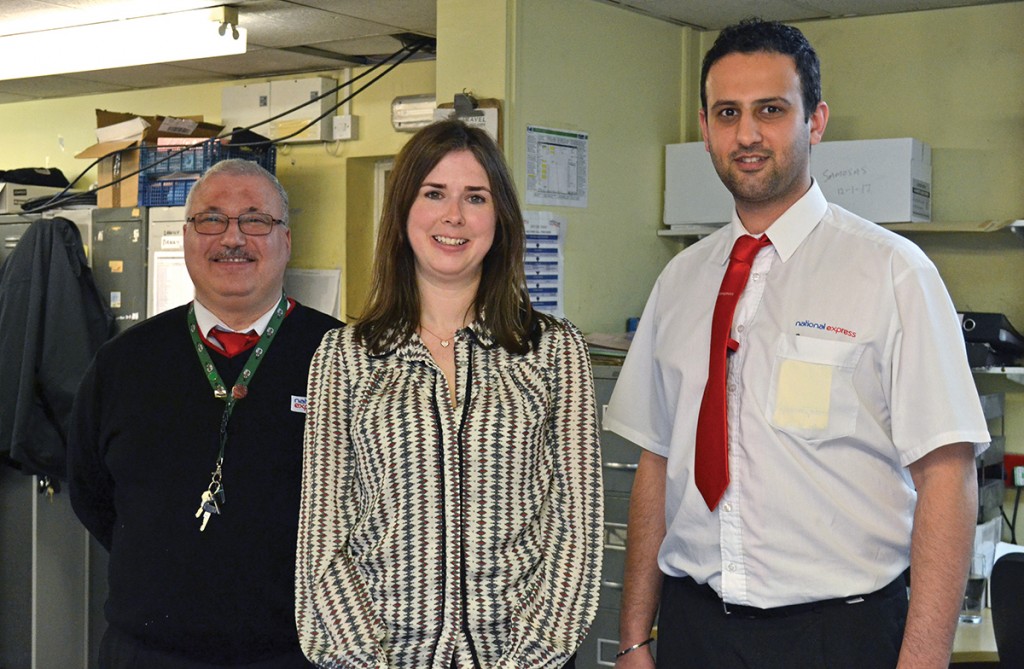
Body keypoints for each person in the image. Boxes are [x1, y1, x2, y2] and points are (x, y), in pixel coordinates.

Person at [606, 18, 989, 669]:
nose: (747, 133)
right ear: (705, 128)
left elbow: (947, 477)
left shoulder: (894, 273)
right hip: (696, 629)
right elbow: (656, 462)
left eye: (771, 110)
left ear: (815, 122)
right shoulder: (680, 281)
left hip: (841, 636)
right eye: (728, 113)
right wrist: (635, 636)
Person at [296, 119, 603, 668]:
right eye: (433, 193)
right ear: (403, 212)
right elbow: (324, 539)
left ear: (500, 217)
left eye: (475, 198)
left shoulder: (554, 352)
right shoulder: (344, 357)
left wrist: (525, 662)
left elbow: (575, 533)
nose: (453, 216)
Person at [68, 158, 343, 668]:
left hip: (299, 655)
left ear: (287, 240)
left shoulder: (346, 359)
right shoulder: (124, 361)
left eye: (255, 220)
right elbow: (91, 492)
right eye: (211, 219)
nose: (232, 238)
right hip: (147, 654)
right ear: (188, 237)